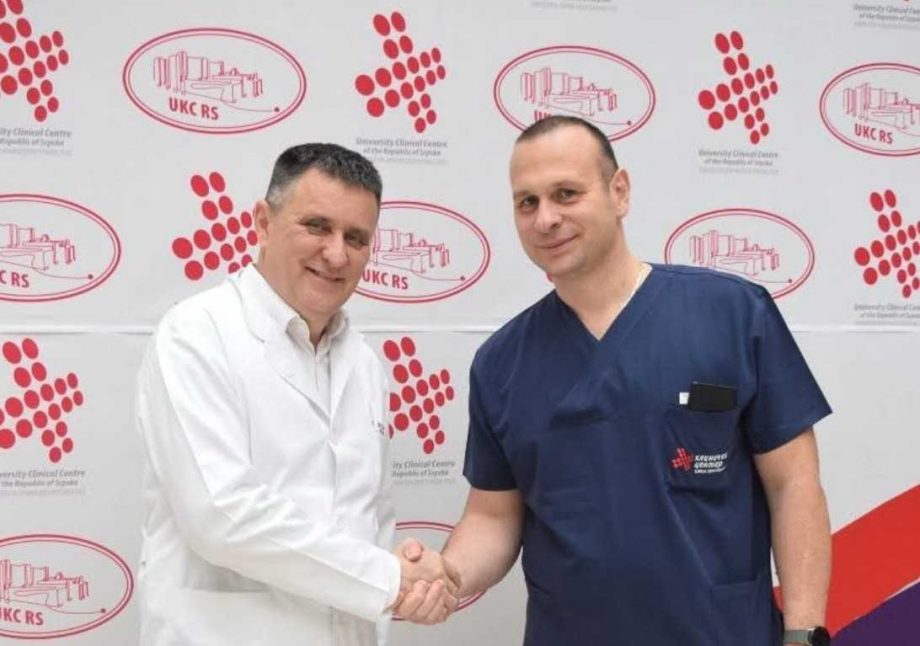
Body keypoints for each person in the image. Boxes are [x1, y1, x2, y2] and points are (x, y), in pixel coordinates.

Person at [402, 116, 833, 645]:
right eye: (527, 203)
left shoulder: (733, 315)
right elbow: (493, 517)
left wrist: (803, 634)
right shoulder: (500, 364)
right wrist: (448, 576)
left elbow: (794, 486)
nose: (546, 219)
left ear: (619, 192)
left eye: (566, 193)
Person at [135, 143, 458, 646]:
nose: (336, 254)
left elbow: (372, 521)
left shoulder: (365, 365)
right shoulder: (196, 335)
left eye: (356, 237)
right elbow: (221, 514)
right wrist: (391, 578)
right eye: (316, 226)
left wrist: (406, 579)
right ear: (263, 223)